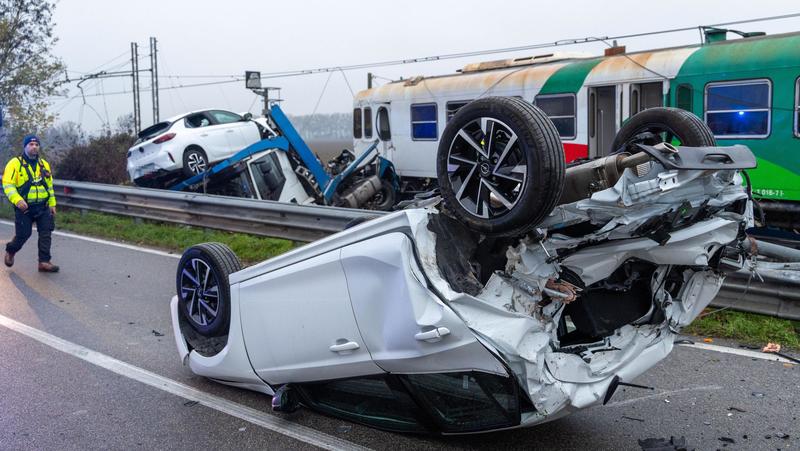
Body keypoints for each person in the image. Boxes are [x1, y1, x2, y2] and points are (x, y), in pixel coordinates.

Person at [3, 134, 59, 272]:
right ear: (25, 146)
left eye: (36, 145)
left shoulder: (43, 164)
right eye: (31, 144)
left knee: (46, 233)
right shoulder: (14, 163)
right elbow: (8, 185)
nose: (34, 147)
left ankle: (44, 262)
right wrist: (17, 200)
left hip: (43, 206)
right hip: (24, 208)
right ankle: (11, 250)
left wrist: (52, 203)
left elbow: (49, 186)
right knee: (23, 235)